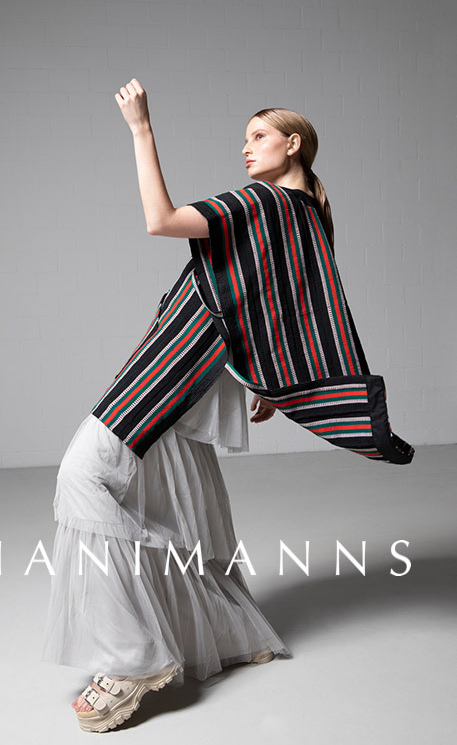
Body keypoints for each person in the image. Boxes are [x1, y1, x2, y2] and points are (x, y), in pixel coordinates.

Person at [41, 79, 412, 734]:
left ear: (292, 144)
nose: (245, 148)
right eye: (244, 138)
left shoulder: (261, 200)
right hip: (204, 368)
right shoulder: (306, 215)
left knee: (84, 476)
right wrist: (264, 378)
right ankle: (229, 633)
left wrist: (140, 128)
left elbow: (161, 221)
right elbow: (288, 306)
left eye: (259, 136)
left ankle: (133, 660)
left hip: (179, 361)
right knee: (158, 496)